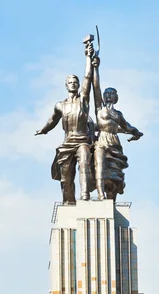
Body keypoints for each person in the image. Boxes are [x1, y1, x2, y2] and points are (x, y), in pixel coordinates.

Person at [35, 40, 96, 203]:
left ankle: (85, 196)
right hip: (67, 143)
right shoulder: (60, 105)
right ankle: (69, 203)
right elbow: (52, 120)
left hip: (82, 141)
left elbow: (88, 77)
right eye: (70, 82)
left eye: (75, 82)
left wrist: (88, 57)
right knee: (66, 178)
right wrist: (43, 129)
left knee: (84, 162)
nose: (73, 84)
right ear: (66, 85)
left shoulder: (83, 100)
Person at [91, 55, 143, 201]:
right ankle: (100, 194)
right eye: (106, 93)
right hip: (101, 141)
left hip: (114, 144)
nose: (108, 95)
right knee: (99, 164)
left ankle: (110, 199)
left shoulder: (118, 114)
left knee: (114, 175)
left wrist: (136, 132)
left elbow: (127, 126)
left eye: (111, 93)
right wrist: (96, 68)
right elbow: (96, 86)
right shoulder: (100, 109)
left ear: (115, 97)